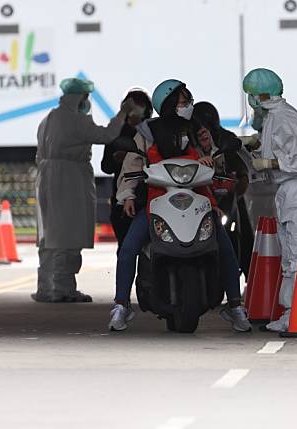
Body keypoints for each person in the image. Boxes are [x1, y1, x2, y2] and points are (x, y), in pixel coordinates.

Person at [109, 79, 252, 333]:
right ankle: (121, 305)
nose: (188, 106)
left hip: (199, 200)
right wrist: (128, 195)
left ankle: (235, 305)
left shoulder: (197, 131)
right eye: (184, 102)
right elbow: (132, 164)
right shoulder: (146, 133)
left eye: (189, 102)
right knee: (129, 247)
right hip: (156, 201)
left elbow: (216, 160)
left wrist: (210, 154)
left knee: (225, 244)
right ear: (169, 104)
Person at [33, 77, 136, 303]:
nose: (87, 102)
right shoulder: (75, 121)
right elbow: (107, 135)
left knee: (50, 235)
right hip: (69, 181)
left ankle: (45, 287)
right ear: (78, 97)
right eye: (86, 97)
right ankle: (63, 288)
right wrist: (122, 114)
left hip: (47, 178)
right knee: (66, 235)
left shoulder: (49, 118)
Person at [242, 68, 297, 332]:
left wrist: (267, 162)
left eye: (252, 95)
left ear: (261, 94)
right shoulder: (276, 118)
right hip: (292, 191)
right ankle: (294, 311)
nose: (251, 100)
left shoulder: (283, 120)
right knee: (293, 254)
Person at [192, 102, 254, 277]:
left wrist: (235, 194)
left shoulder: (227, 139)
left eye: (205, 126)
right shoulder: (189, 142)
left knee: (244, 233)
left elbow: (242, 174)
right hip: (200, 197)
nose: (202, 131)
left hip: (226, 197)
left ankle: (247, 272)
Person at [101, 89, 153, 251]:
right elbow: (106, 166)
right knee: (125, 249)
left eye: (138, 107)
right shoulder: (116, 133)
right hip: (122, 198)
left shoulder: (152, 132)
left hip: (150, 194)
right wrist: (120, 160)